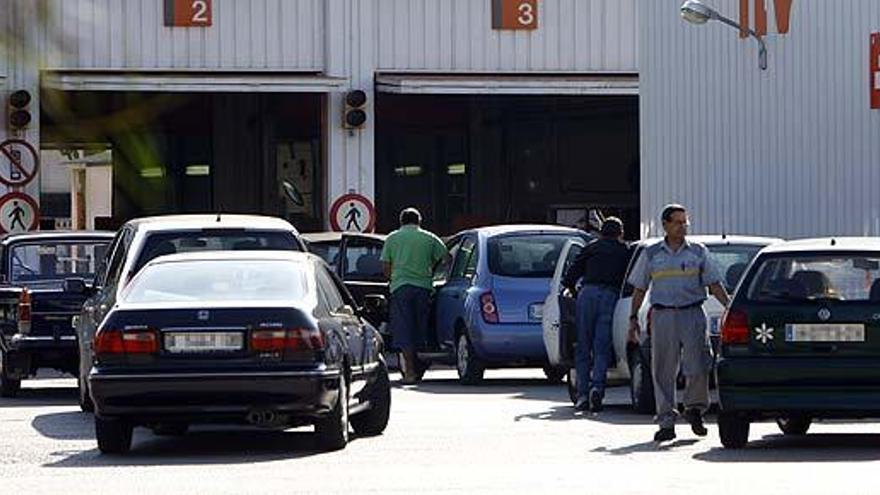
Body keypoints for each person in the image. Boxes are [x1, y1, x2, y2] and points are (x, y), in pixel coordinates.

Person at [627, 204, 730, 442]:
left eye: (685, 222)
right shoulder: (652, 253)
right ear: (665, 225)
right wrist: (633, 318)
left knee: (699, 365)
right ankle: (666, 421)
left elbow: (714, 284)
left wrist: (730, 307)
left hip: (692, 313)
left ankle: (694, 409)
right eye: (677, 222)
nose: (682, 226)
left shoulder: (698, 251)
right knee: (663, 369)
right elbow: (640, 288)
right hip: (663, 315)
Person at [561, 217, 630, 412]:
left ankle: (582, 395)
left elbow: (569, 277)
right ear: (620, 233)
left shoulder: (591, 248)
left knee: (583, 346)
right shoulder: (624, 251)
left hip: (587, 294)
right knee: (602, 346)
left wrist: (575, 293)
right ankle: (597, 388)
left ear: (601, 232)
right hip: (610, 296)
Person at [381, 208, 449, 384]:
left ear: (401, 221)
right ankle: (422, 365)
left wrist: (394, 278)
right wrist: (431, 268)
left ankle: (410, 371)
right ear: (419, 220)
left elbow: (386, 267)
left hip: (400, 287)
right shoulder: (429, 238)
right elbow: (446, 258)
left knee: (404, 329)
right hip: (424, 287)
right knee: (421, 327)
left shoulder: (392, 238)